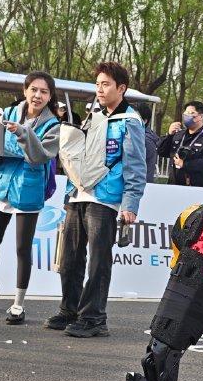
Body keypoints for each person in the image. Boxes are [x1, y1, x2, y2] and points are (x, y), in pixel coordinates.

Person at [47, 61, 146, 338]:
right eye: (98, 84)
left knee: (98, 261)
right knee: (69, 258)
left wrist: (130, 204)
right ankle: (70, 309)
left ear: (121, 88)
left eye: (106, 85)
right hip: (77, 194)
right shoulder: (94, 116)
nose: (99, 90)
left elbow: (136, 166)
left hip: (106, 198)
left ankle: (94, 317)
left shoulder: (131, 121)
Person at [0, 71, 61, 324]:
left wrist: (21, 137)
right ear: (25, 91)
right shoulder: (8, 115)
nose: (37, 95)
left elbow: (40, 156)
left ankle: (18, 304)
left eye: (44, 92)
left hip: (29, 191)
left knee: (23, 249)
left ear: (50, 96)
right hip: (2, 187)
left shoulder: (54, 125)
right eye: (34, 89)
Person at [159, 100, 203, 187]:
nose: (187, 116)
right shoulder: (178, 134)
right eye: (186, 113)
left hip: (195, 188)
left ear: (200, 117)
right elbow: (161, 152)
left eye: (191, 113)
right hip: (173, 186)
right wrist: (169, 135)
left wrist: (184, 164)